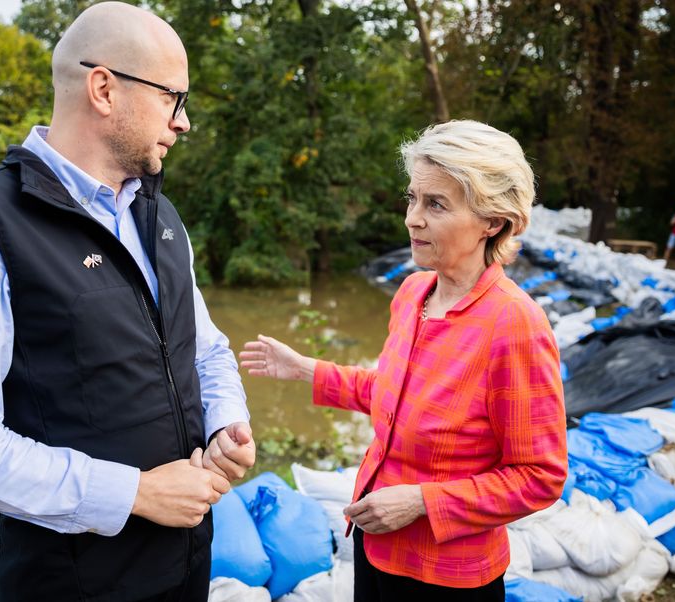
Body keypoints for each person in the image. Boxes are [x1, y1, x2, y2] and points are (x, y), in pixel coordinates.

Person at [0, 3, 254, 600]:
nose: (184, 123)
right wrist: (136, 494)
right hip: (73, 582)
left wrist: (227, 418)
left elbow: (206, 347)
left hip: (185, 565)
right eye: (175, 97)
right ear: (104, 88)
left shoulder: (160, 214)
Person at [240, 120, 567, 601]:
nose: (412, 218)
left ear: (492, 221)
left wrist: (421, 502)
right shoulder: (415, 292)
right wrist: (306, 368)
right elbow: (395, 396)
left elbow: (539, 476)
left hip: (448, 576)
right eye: (412, 199)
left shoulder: (514, 325)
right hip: (377, 548)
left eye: (435, 204)